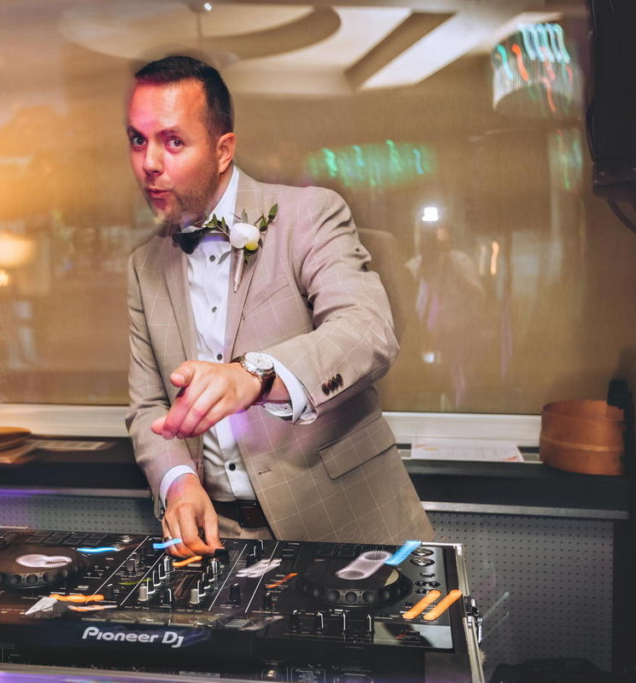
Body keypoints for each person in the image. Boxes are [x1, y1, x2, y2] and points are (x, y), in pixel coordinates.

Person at [125, 55, 433, 558]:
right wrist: (178, 480)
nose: (149, 163)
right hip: (219, 539)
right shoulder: (144, 265)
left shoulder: (309, 214)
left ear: (223, 151)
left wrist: (253, 375)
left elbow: (367, 330)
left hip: (344, 522)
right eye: (138, 140)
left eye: (173, 141)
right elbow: (148, 407)